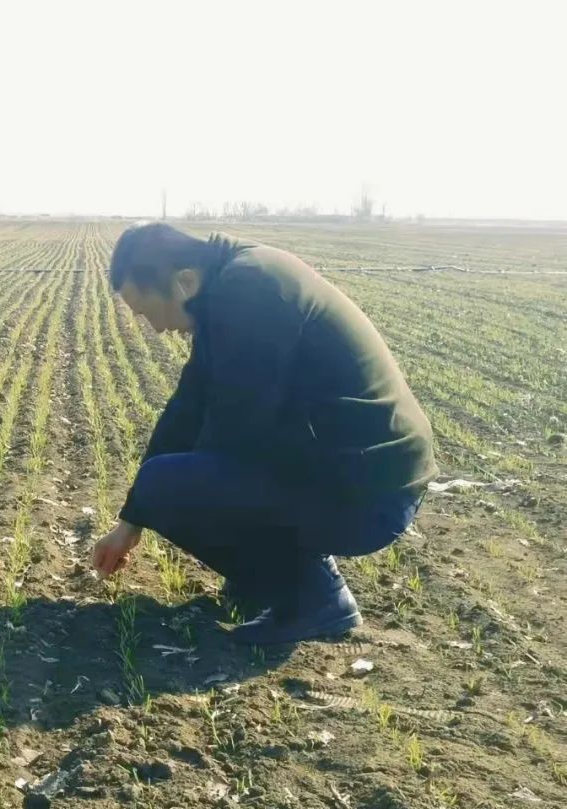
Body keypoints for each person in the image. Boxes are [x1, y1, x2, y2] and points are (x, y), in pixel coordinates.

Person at [92, 223, 438, 644]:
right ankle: (274, 582)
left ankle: (314, 597)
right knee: (164, 483)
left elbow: (239, 432)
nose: (158, 329)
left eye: (148, 312)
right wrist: (132, 519)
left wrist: (163, 491)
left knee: (171, 484)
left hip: (371, 495)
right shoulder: (231, 283)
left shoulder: (248, 292)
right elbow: (189, 407)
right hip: (358, 474)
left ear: (183, 281)